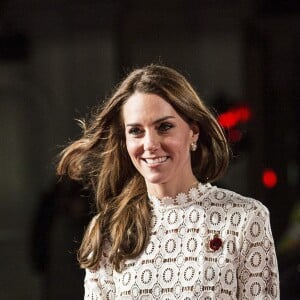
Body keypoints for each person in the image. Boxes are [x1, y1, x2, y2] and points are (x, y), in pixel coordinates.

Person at [57, 64, 280, 299]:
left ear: (193, 132)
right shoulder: (108, 229)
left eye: (164, 127)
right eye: (136, 131)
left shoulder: (244, 219)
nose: (150, 144)